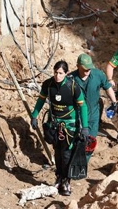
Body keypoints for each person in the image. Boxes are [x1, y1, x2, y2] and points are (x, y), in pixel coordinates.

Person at [30, 60, 89, 196]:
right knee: (57, 152)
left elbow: (83, 106)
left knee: (66, 154)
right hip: (54, 124)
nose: (57, 76)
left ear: (66, 73)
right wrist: (34, 116)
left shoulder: (73, 86)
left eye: (61, 73)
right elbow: (41, 100)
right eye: (56, 72)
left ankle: (67, 181)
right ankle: (59, 177)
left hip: (70, 126)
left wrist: (85, 127)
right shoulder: (48, 84)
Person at [69, 53, 117, 161]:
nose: (88, 71)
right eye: (85, 69)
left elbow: (107, 87)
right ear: (78, 66)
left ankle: (83, 164)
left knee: (90, 142)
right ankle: (71, 163)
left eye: (89, 68)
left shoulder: (98, 75)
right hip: (76, 116)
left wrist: (114, 102)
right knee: (74, 141)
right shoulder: (71, 79)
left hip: (93, 115)